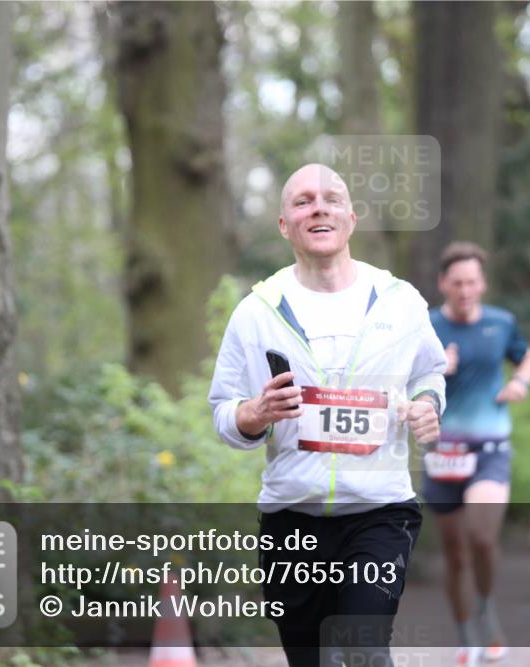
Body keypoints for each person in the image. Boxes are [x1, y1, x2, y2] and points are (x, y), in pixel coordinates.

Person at [208, 163, 446, 667]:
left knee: (364, 648)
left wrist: (427, 405)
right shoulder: (258, 311)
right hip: (291, 518)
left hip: (380, 512)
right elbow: (223, 411)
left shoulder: (401, 303)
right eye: (303, 200)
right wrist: (254, 412)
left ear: (351, 219)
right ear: (283, 224)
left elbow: (430, 373)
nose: (319, 207)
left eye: (332, 198)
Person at [423, 242, 530, 666]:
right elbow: (401, 382)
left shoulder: (501, 323)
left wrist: (521, 384)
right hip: (442, 452)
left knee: (482, 538)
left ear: (483, 283)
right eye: (457, 283)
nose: (466, 290)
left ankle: (487, 606)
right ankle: (465, 632)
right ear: (443, 284)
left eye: (472, 282)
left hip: (490, 448)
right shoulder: (426, 326)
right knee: (454, 554)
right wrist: (436, 369)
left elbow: (527, 358)